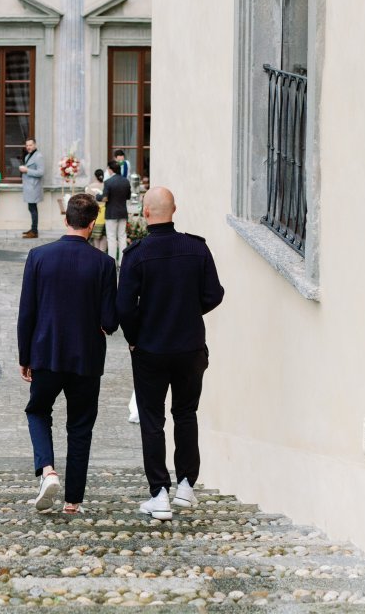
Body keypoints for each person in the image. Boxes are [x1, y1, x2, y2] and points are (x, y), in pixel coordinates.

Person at [116, 186, 225, 522]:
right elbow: (214, 294)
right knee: (186, 413)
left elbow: (124, 307)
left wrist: (135, 337)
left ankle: (159, 493)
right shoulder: (197, 248)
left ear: (145, 213)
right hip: (190, 347)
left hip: (150, 348)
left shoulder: (136, 254)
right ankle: (186, 486)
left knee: (152, 421)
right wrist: (189, 314)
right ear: (174, 209)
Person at [16, 192, 118, 515]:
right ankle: (73, 502)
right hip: (86, 358)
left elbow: (26, 312)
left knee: (37, 411)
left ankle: (47, 470)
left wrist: (24, 355)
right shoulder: (104, 263)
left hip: (45, 352)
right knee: (80, 426)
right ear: (91, 224)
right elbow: (110, 321)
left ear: (65, 220)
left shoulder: (38, 256)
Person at [102, 159, 131, 268]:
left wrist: (97, 196)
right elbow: (128, 196)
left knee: (111, 237)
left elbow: (104, 198)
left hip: (111, 213)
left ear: (110, 169)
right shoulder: (126, 181)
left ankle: (112, 262)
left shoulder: (108, 182)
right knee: (122, 237)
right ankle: (122, 262)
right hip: (122, 212)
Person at [19, 137, 44, 239]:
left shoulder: (38, 156)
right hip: (29, 187)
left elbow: (41, 172)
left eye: (30, 145)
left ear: (35, 145)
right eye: (27, 145)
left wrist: (26, 170)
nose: (28, 147)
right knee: (31, 208)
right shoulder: (29, 155)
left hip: (34, 187)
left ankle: (34, 231)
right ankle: (33, 229)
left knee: (33, 209)